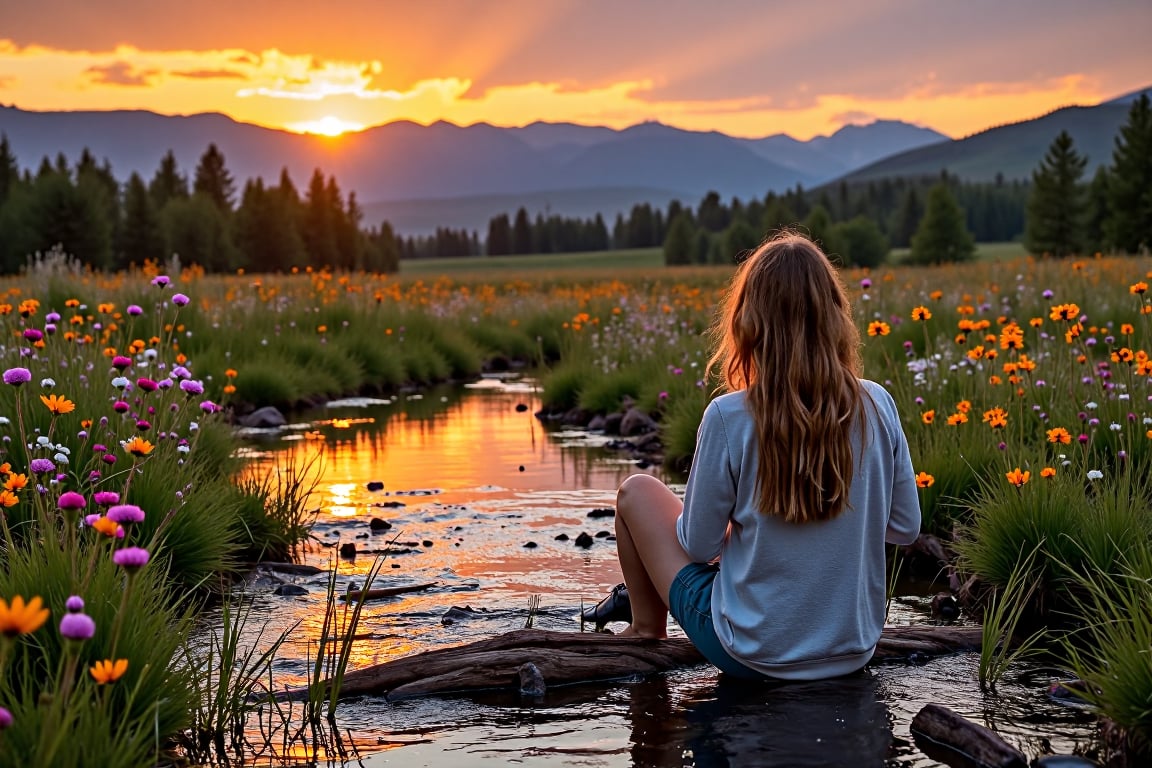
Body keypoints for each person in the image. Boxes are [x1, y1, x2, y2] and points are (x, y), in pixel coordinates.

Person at [583, 232, 921, 681]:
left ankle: (646, 628)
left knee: (636, 491)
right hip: (853, 648)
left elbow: (698, 547)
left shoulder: (729, 415)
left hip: (752, 652)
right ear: (836, 316)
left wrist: (740, 530)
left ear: (748, 323)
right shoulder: (877, 402)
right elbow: (904, 528)